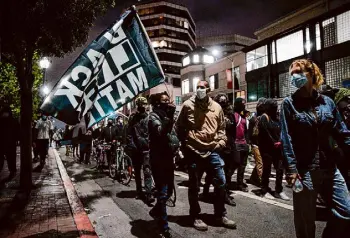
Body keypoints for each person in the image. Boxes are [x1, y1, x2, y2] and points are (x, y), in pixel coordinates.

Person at [280, 59, 350, 238]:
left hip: (330, 167)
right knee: (305, 221)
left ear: (312, 74)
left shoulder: (327, 102)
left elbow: (342, 131)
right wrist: (292, 170)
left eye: (299, 72)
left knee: (346, 210)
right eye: (292, 74)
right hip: (304, 171)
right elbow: (286, 139)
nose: (294, 77)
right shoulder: (289, 104)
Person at [176, 79, 236, 231]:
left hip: (213, 151)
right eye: (197, 87)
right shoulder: (188, 105)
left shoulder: (216, 107)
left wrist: (221, 143)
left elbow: (222, 128)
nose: (199, 89)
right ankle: (195, 216)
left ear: (208, 89)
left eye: (202, 87)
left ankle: (220, 214)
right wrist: (185, 145)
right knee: (194, 185)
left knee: (221, 181)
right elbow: (179, 127)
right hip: (194, 152)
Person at [148, 92, 178, 238]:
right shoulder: (153, 117)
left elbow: (173, 136)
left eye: (168, 100)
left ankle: (155, 211)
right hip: (158, 159)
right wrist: (170, 118)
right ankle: (163, 226)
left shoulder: (168, 116)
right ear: (157, 103)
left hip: (168, 158)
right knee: (163, 192)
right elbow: (161, 132)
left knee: (169, 192)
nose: (167, 102)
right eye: (164, 101)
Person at [258, 98, 290, 200]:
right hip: (267, 149)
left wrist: (280, 141)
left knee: (280, 169)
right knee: (267, 170)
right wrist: (273, 142)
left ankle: (279, 190)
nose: (275, 109)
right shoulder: (264, 117)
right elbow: (265, 132)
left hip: (278, 148)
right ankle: (264, 189)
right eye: (273, 107)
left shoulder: (277, 117)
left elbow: (282, 130)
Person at [126, 97, 154, 204]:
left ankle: (149, 193)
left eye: (145, 104)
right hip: (136, 149)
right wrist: (131, 145)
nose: (143, 106)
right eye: (141, 104)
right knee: (137, 172)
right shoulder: (132, 118)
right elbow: (129, 134)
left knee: (147, 171)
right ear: (137, 105)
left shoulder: (149, 118)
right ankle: (139, 191)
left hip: (146, 149)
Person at [213, 93, 236, 206]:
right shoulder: (213, 112)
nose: (222, 103)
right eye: (220, 101)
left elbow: (233, 130)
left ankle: (224, 192)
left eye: (224, 101)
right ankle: (222, 195)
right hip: (218, 145)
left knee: (229, 169)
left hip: (229, 144)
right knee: (218, 172)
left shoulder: (230, 114)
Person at [231, 98, 249, 192]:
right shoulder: (233, 115)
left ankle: (240, 183)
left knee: (243, 165)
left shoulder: (243, 116)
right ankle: (227, 181)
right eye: (242, 104)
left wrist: (247, 142)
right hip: (236, 143)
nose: (243, 106)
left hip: (243, 143)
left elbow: (245, 130)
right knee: (235, 163)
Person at [247, 98, 266, 187]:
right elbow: (250, 133)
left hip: (262, 144)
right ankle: (260, 181)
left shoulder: (265, 118)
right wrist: (250, 143)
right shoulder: (253, 119)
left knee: (261, 162)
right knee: (260, 163)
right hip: (255, 144)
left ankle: (253, 178)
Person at [0, 106, 19, 180]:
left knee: (10, 158)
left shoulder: (13, 121)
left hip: (9, 143)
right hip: (6, 142)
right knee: (9, 158)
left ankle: (12, 171)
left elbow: (17, 131)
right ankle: (12, 171)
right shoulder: (13, 120)